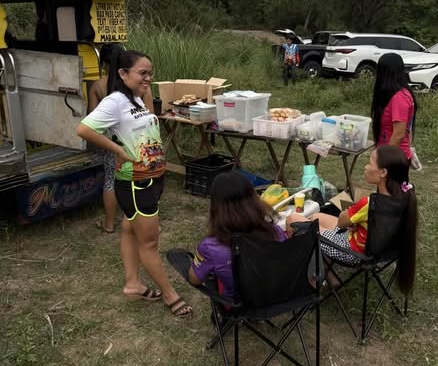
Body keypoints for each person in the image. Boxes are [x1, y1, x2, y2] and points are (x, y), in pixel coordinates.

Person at [76, 49, 192, 317]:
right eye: (142, 73)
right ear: (123, 73)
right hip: (135, 183)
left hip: (152, 177)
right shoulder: (115, 101)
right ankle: (170, 295)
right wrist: (118, 150)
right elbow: (84, 129)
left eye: (150, 73)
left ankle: (132, 285)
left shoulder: (136, 98)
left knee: (130, 228)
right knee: (149, 243)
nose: (148, 78)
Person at [286, 145, 417, 294]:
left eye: (370, 163)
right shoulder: (404, 198)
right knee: (316, 217)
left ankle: (306, 281)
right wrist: (357, 222)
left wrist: (351, 216)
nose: (366, 167)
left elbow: (341, 222)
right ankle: (331, 277)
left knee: (292, 219)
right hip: (381, 251)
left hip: (352, 253)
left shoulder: (369, 204)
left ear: (383, 172)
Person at [169, 171, 287, 299]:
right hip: (278, 296)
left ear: (216, 206)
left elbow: (195, 279)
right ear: (254, 199)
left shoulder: (211, 247)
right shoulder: (274, 231)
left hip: (241, 304)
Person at [88, 43, 154, 233]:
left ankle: (109, 223)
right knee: (140, 177)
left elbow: (93, 117)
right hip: (139, 136)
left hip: (113, 139)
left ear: (104, 63)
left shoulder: (98, 86)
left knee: (111, 179)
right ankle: (140, 220)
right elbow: (150, 114)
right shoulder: (141, 85)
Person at [370, 53, 417, 162]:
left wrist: (385, 160)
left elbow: (399, 134)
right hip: (388, 153)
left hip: (394, 158)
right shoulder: (392, 95)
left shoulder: (400, 98)